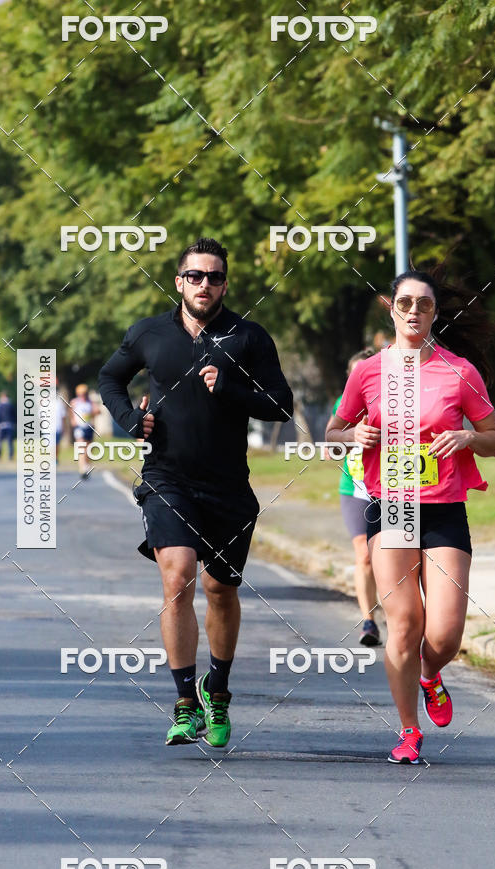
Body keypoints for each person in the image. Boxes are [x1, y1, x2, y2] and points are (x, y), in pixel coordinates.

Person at [99, 237, 293, 747]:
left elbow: (281, 404)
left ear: (225, 284)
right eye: (195, 276)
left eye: (214, 277)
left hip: (228, 486)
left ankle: (218, 690)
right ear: (178, 281)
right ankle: (185, 703)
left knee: (220, 591)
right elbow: (110, 378)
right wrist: (128, 420)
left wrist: (228, 388)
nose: (204, 284)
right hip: (167, 477)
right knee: (178, 576)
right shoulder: (150, 333)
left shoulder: (248, 336)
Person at [326, 268, 495, 764]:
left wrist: (469, 437)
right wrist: (352, 437)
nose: (413, 312)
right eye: (404, 303)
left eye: (423, 305)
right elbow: (333, 431)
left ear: (434, 313)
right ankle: (409, 730)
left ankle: (431, 673)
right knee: (404, 624)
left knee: (443, 634)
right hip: (393, 507)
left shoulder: (459, 371)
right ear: (391, 307)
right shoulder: (368, 372)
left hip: (444, 508)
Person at [327, 350, 381, 647]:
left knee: (395, 556)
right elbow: (333, 443)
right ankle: (369, 621)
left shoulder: (391, 400)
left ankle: (401, 614)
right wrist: (339, 444)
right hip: (355, 487)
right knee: (364, 554)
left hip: (391, 486)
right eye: (355, 373)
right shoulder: (342, 405)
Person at [70, 384, 99, 478]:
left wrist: (90, 414)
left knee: (89, 448)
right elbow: (71, 413)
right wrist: (73, 421)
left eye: (84, 393)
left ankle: (87, 465)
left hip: (89, 427)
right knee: (81, 446)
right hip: (79, 427)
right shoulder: (74, 402)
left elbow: (98, 411)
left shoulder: (91, 402)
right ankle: (82, 468)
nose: (82, 395)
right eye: (80, 394)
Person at [0, 391, 16, 460]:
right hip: (0, 426)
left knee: (10, 442)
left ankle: (10, 456)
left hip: (9, 425)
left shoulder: (10, 406)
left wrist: (14, 423)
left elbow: (14, 416)